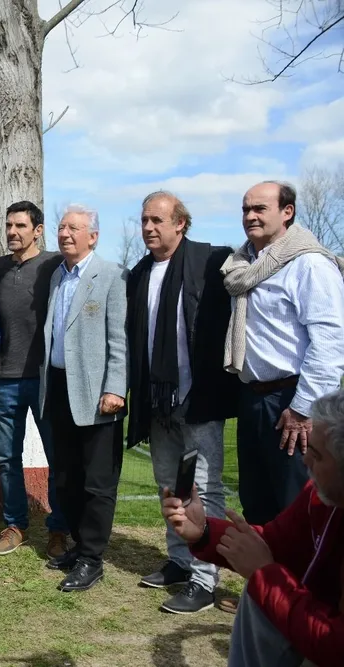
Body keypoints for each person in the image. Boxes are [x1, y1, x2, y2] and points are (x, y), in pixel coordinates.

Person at [163, 388, 344, 667]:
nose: (305, 460)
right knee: (260, 590)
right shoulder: (317, 497)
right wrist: (203, 531)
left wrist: (264, 573)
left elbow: (334, 646)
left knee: (265, 584)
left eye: (318, 456)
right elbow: (272, 542)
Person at [127, 192, 241, 613]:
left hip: (199, 398)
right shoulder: (140, 272)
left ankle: (205, 578)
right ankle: (178, 560)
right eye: (144, 220)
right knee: (167, 486)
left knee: (203, 488)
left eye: (157, 220)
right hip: (157, 402)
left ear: (181, 224)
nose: (149, 228)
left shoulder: (210, 262)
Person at [221, 181, 344, 525]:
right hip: (253, 399)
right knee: (257, 503)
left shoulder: (310, 265)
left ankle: (299, 580)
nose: (250, 216)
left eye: (260, 209)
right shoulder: (243, 266)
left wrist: (303, 408)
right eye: (245, 209)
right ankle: (261, 577)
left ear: (287, 212)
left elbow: (330, 341)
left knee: (297, 507)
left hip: (293, 401)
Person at [40, 204, 127, 592]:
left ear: (93, 236)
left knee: (97, 482)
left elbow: (119, 339)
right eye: (61, 228)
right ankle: (78, 545)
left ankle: (93, 558)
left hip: (97, 395)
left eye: (74, 228)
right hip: (58, 388)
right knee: (66, 478)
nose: (65, 234)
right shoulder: (58, 276)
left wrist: (115, 387)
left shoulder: (110, 276)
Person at [0, 200, 70, 559]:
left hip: (44, 379)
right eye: (9, 226)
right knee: (7, 458)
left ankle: (58, 530)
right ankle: (15, 525)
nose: (12, 232)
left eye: (20, 226)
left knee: (56, 455)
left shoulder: (54, 266)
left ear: (37, 230)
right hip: (4, 378)